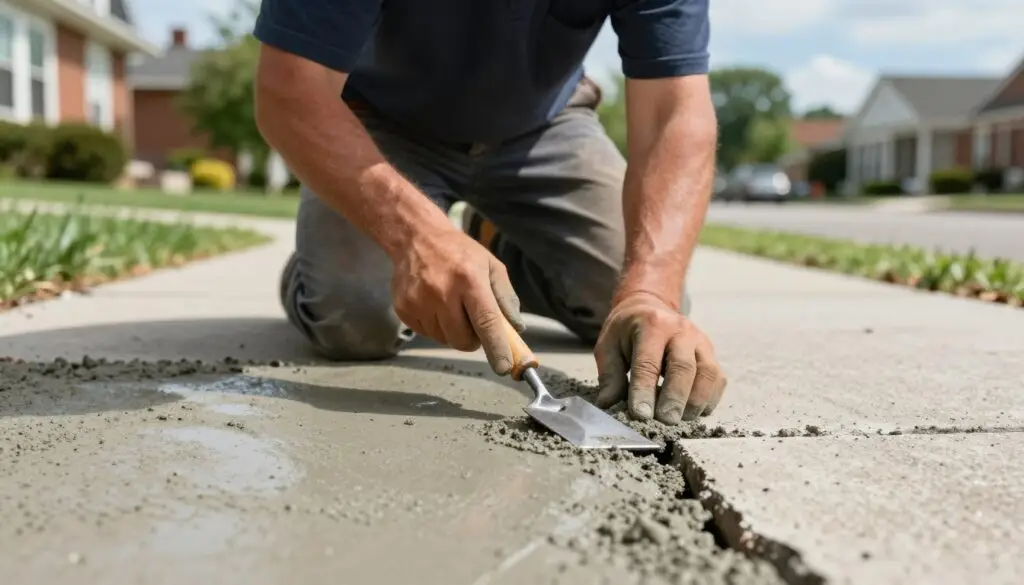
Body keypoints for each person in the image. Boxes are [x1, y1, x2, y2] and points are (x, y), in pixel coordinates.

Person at [252, 0, 726, 426]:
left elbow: (674, 110)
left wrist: (650, 292)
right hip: (378, 122)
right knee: (353, 318)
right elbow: (290, 90)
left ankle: (490, 242)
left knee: (636, 310)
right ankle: (315, 274)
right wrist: (417, 238)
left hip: (542, 125)